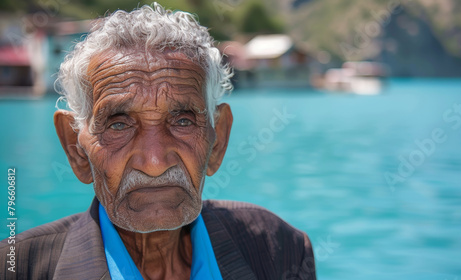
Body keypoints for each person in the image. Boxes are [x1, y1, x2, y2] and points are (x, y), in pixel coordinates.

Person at [0, 3, 316, 279]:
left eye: (182, 121)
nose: (154, 161)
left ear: (217, 139)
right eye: (119, 124)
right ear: (76, 148)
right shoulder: (13, 268)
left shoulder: (281, 250)